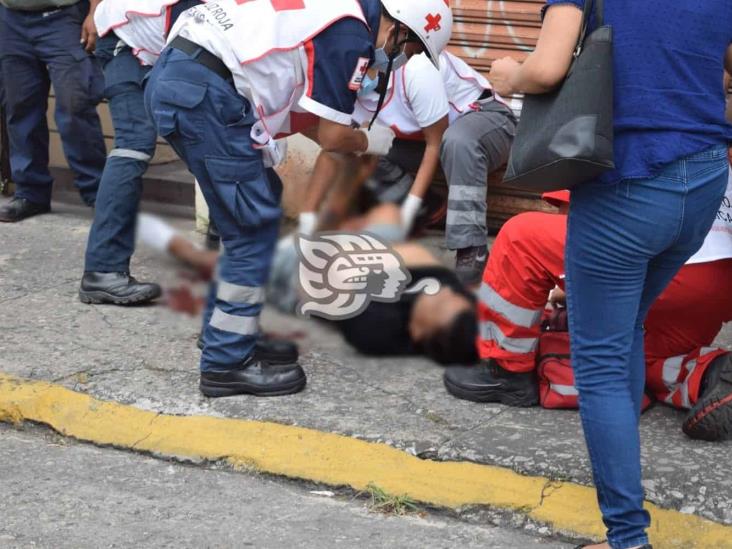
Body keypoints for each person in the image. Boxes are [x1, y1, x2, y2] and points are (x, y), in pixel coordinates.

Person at [487, 2, 732, 548]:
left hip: (628, 182)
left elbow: (547, 69)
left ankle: (627, 539)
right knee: (628, 330)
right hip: (705, 179)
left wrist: (509, 75)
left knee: (597, 360)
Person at [144, 0, 454, 398]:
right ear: (399, 31)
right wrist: (369, 139)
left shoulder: (339, 13)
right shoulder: (351, 36)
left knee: (258, 202)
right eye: (408, 52)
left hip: (189, 80)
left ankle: (226, 332)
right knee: (251, 228)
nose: (399, 62)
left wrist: (348, 135)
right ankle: (225, 362)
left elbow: (310, 123)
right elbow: (331, 138)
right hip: (205, 94)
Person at [444, 183, 732, 442]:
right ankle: (710, 374)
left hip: (666, 263)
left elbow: (576, 209)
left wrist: (567, 284)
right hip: (720, 281)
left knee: (521, 237)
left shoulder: (618, 122)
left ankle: (506, 370)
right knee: (642, 358)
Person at [138, 203, 479, 366]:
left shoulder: (377, 329)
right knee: (388, 213)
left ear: (421, 332)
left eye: (443, 305)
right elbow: (412, 254)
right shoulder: (447, 294)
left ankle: (163, 238)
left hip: (298, 277)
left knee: (221, 266)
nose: (447, 292)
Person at [301, 50, 517, 286]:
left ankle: (470, 248)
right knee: (362, 146)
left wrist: (405, 214)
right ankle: (429, 207)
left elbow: (437, 143)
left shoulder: (415, 69)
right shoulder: (347, 87)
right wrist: (310, 223)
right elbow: (336, 150)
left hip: (487, 122)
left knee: (457, 141)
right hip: (430, 140)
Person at [77, 0, 202, 305]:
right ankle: (103, 271)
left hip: (149, 38)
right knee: (133, 144)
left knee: (204, 140)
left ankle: (238, 268)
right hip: (126, 38)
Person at [0, 0, 106, 222]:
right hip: (10, 18)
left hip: (64, 17)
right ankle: (31, 194)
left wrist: (95, 11)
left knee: (74, 106)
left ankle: (98, 194)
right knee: (19, 108)